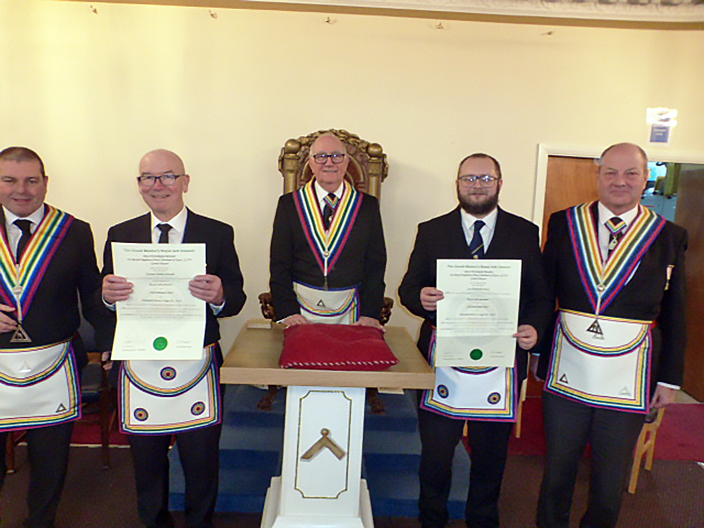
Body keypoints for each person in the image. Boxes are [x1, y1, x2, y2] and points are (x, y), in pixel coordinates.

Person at [535, 143, 688, 528]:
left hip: (629, 374)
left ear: (645, 177)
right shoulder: (565, 223)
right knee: (557, 470)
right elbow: (544, 291)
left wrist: (669, 379)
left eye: (631, 173)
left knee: (610, 479)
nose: (620, 181)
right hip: (568, 365)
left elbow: (675, 311)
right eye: (611, 172)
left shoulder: (669, 235)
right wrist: (535, 351)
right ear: (599, 176)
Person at [398, 153, 552, 528]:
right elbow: (408, 288)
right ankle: (431, 519)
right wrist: (420, 298)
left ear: (499, 183)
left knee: (490, 457)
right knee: (436, 456)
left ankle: (482, 520)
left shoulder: (524, 232)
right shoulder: (431, 231)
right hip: (443, 361)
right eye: (469, 178)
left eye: (485, 178)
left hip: (500, 362)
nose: (477, 185)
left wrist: (534, 328)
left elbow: (541, 296)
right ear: (457, 183)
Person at [101, 149, 246, 528]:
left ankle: (200, 523)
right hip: (140, 363)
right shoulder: (121, 234)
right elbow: (107, 300)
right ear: (139, 185)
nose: (158, 185)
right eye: (148, 178)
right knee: (147, 462)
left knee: (201, 461)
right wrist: (107, 296)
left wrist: (220, 295)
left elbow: (236, 297)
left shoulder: (217, 233)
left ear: (185, 182)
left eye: (168, 176)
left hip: (196, 361)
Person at [0, 146, 112, 528]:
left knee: (50, 462)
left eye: (31, 180)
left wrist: (111, 340)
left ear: (45, 183)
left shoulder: (73, 231)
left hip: (54, 365)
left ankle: (41, 522)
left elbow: (92, 294)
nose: (22, 190)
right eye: (10, 180)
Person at [269, 132, 386, 329]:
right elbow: (279, 263)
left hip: (352, 311)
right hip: (300, 311)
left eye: (336, 156)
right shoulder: (289, 204)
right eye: (321, 156)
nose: (329, 163)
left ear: (346, 162)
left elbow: (375, 265)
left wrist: (369, 313)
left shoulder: (367, 206)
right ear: (311, 163)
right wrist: (288, 311)